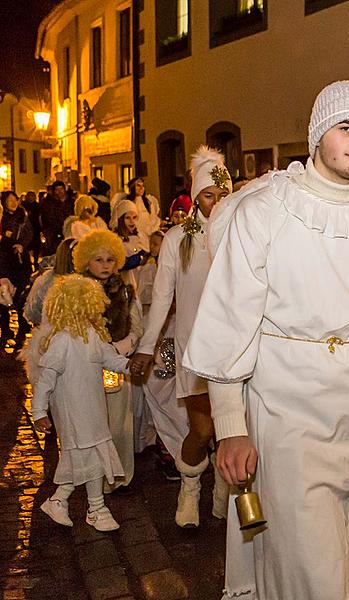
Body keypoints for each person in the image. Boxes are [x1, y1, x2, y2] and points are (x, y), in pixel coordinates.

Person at [182, 81, 349, 599]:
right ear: (318, 133)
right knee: (311, 561)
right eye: (347, 127)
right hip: (286, 410)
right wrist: (229, 424)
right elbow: (230, 318)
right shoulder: (266, 209)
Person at [129, 146, 232, 527]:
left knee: (233, 429)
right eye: (209, 195)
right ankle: (190, 489)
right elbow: (162, 298)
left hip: (237, 351)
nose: (217, 203)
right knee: (203, 429)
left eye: (223, 195)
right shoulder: (177, 239)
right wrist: (146, 345)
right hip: (196, 353)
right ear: (196, 196)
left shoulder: (241, 234)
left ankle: (225, 489)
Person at [32, 275, 131, 532]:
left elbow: (110, 359)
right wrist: (39, 411)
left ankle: (63, 501)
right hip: (72, 413)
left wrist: (131, 366)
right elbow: (46, 379)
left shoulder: (92, 336)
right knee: (86, 457)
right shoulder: (61, 341)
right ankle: (95, 507)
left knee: (89, 457)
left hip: (94, 411)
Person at [73, 230, 143, 489]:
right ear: (86, 261)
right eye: (98, 260)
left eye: (109, 260)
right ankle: (94, 478)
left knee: (119, 424)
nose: (104, 266)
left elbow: (137, 325)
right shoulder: (76, 292)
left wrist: (125, 345)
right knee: (92, 424)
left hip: (118, 364)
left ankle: (119, 476)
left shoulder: (125, 291)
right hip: (87, 368)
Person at [1, 191, 33, 346]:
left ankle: (23, 324)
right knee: (3, 294)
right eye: (9, 200)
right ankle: (5, 328)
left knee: (21, 294)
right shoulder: (2, 218)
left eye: (15, 199)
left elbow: (30, 234)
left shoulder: (23, 216)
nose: (13, 202)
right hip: (5, 261)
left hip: (21, 261)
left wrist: (22, 244)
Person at [39, 181, 74, 257]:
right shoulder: (49, 203)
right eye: (57, 190)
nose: (59, 192)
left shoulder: (72, 202)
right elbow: (47, 218)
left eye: (61, 189)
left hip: (70, 232)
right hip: (54, 234)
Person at [22, 191, 42, 271]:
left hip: (36, 229)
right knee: (27, 246)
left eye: (33, 196)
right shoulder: (23, 207)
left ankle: (36, 261)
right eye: (29, 196)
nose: (31, 198)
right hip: (26, 230)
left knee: (36, 247)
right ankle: (28, 262)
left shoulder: (38, 206)